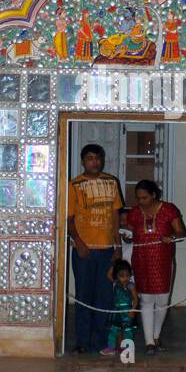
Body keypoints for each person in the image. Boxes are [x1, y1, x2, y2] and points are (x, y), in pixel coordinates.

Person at [67, 143, 123, 353]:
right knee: (84, 296)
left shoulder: (111, 182)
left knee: (105, 297)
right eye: (90, 158)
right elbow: (69, 219)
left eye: (98, 158)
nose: (95, 162)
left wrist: (118, 246)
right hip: (84, 250)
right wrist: (79, 242)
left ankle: (101, 341)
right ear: (83, 161)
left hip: (107, 250)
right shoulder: (74, 185)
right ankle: (82, 342)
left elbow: (115, 216)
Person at [126, 179, 186, 355]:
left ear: (153, 195)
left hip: (163, 261)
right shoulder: (135, 213)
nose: (141, 201)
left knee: (162, 301)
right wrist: (127, 236)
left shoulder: (168, 210)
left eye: (144, 198)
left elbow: (182, 232)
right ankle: (149, 342)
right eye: (138, 198)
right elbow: (130, 231)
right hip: (141, 260)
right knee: (146, 300)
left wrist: (172, 237)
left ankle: (156, 335)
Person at [100, 259, 138, 358]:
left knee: (127, 331)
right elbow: (108, 275)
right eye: (121, 275)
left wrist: (133, 310)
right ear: (116, 276)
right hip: (117, 312)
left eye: (127, 275)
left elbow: (135, 299)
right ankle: (111, 348)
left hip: (127, 312)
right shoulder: (115, 283)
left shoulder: (131, 286)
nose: (125, 278)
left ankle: (128, 349)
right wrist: (116, 264)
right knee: (113, 330)